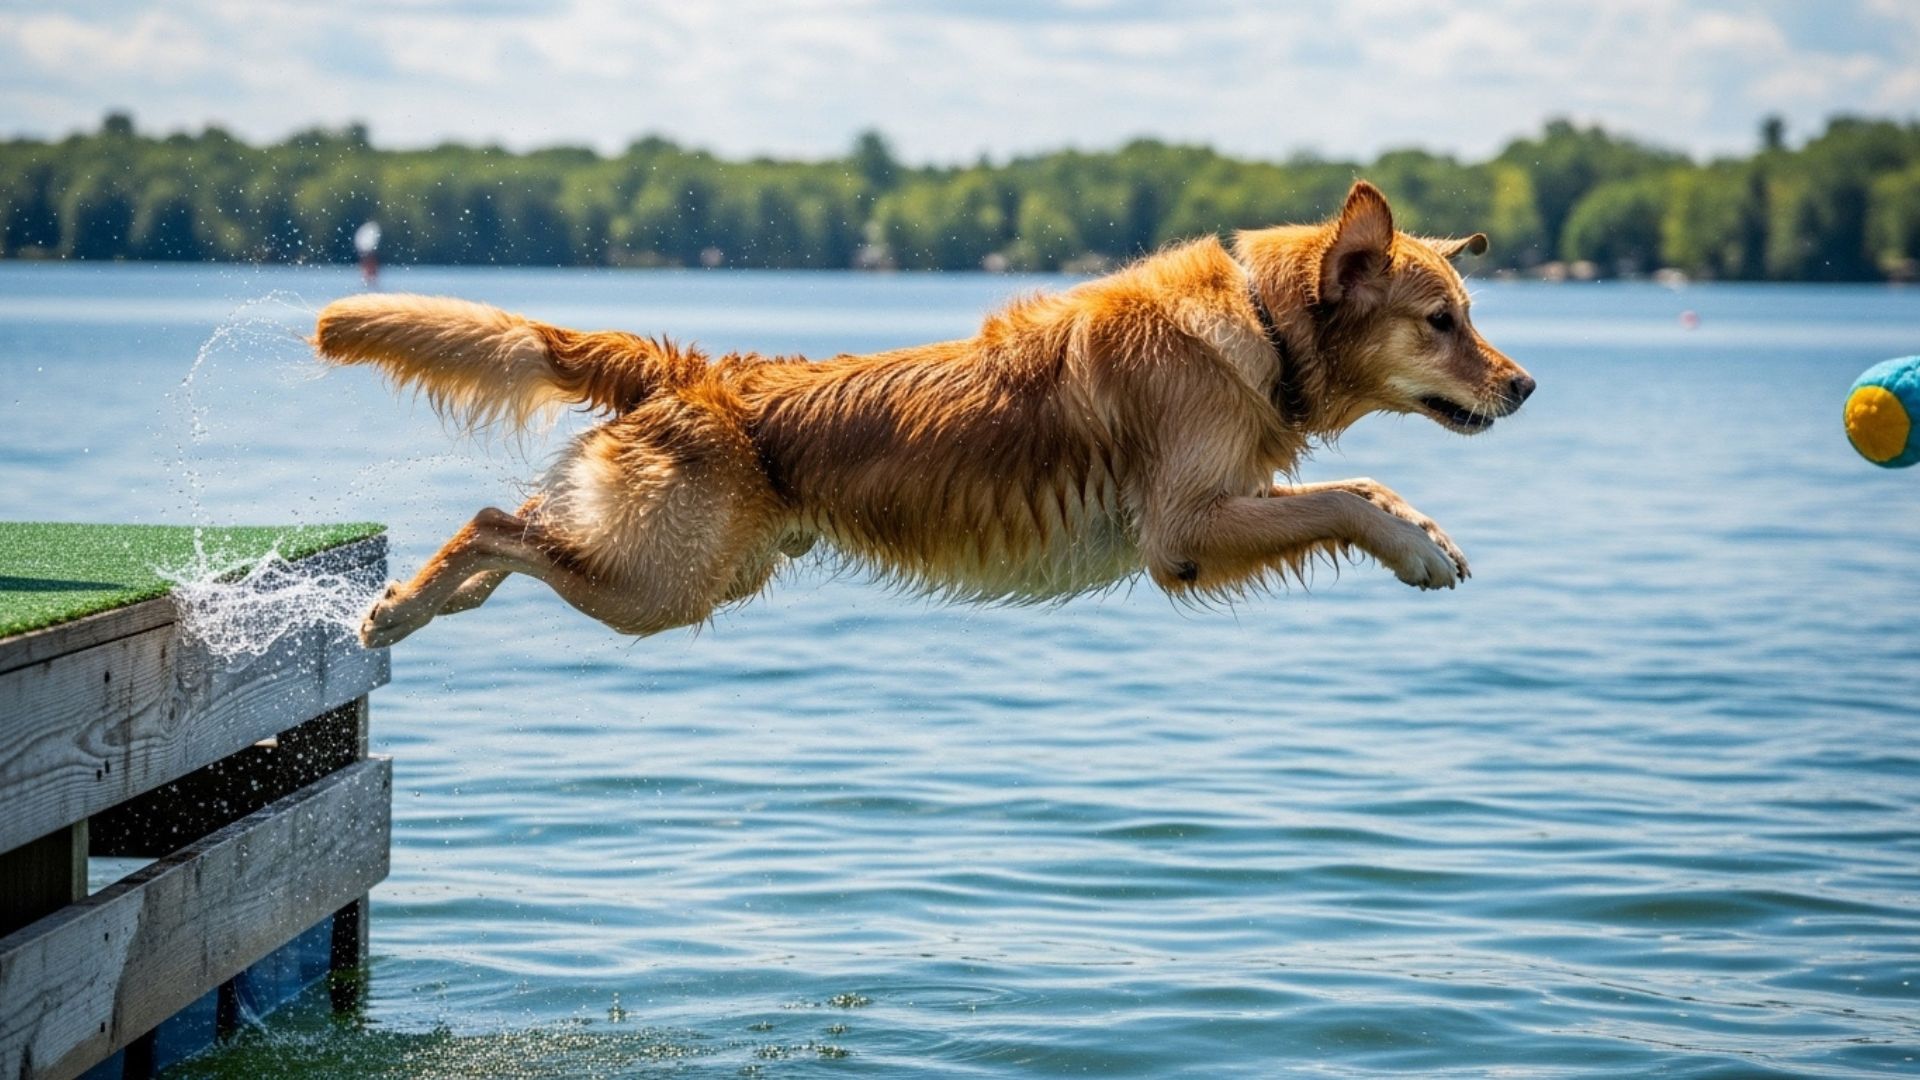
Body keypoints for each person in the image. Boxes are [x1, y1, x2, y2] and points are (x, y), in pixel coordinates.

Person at [354, 220, 382, 287]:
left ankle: (370, 280)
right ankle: (369, 280)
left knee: (368, 264)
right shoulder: (370, 229)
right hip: (367, 248)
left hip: (366, 248)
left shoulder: (368, 229)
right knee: (369, 264)